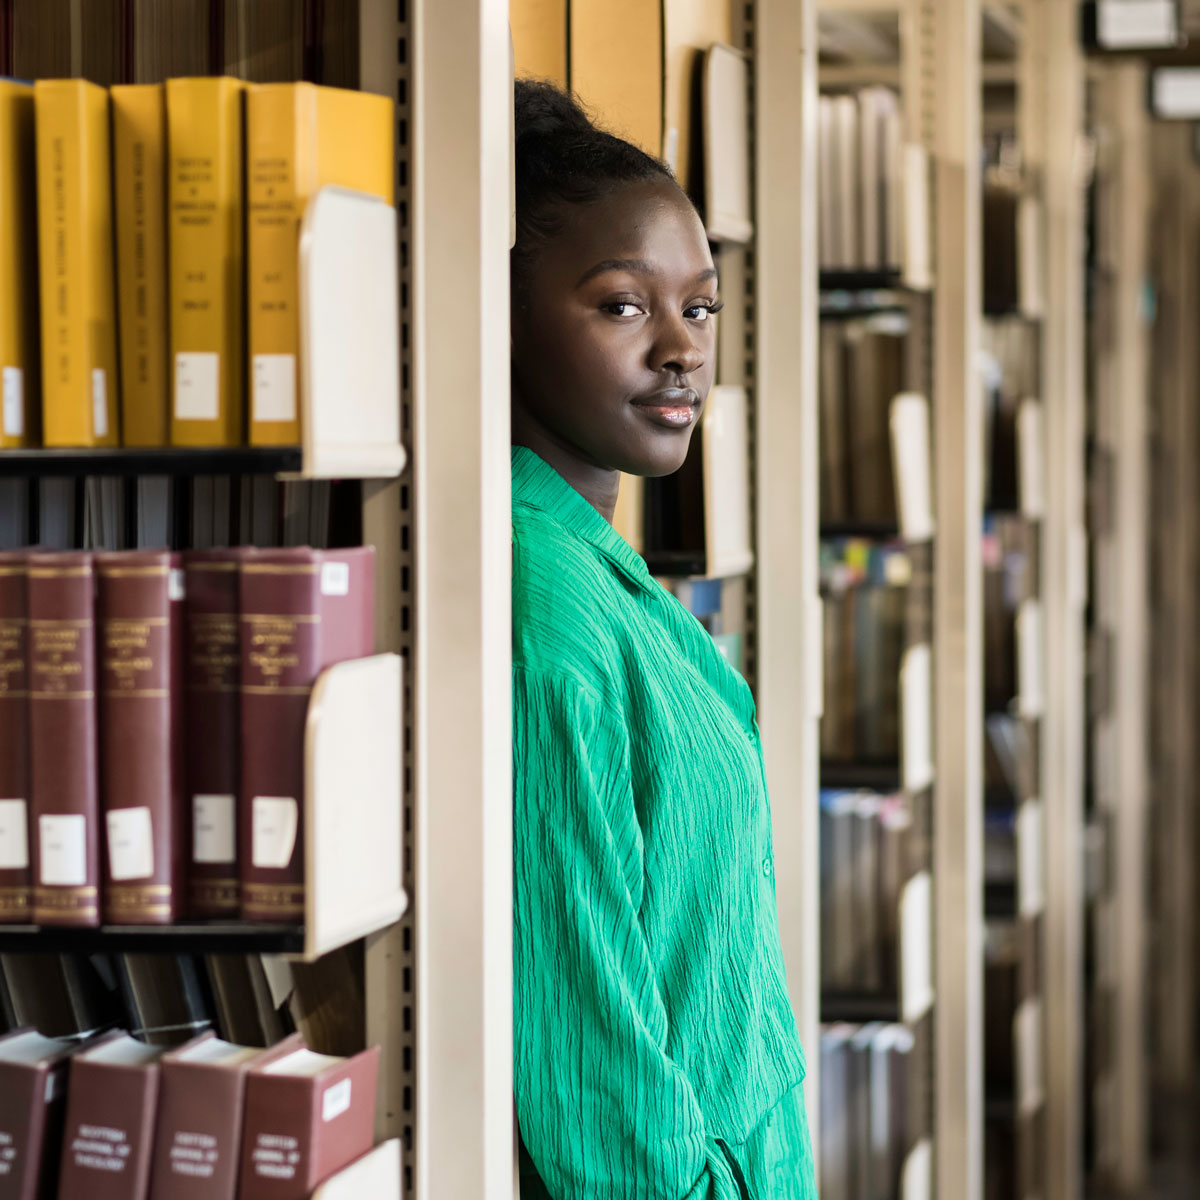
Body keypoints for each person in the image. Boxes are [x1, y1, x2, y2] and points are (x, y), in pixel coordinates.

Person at [511, 79, 817, 1199]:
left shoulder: (604, 571)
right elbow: (589, 1070)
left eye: (703, 306)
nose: (683, 350)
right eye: (623, 306)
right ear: (494, 308)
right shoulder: (537, 616)